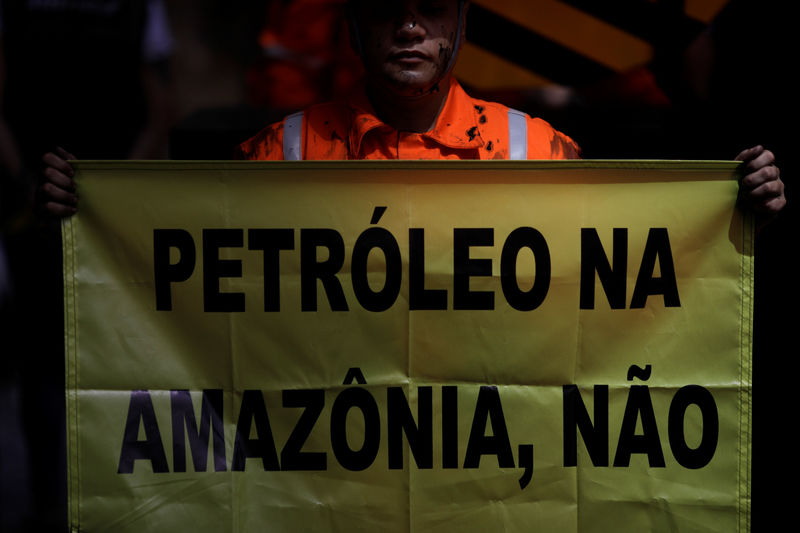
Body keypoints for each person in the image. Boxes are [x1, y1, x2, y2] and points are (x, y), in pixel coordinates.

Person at [39, 0, 784, 221]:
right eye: (388, 10)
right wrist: (92, 215)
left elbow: (634, 270)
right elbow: (185, 275)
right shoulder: (279, 154)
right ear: (354, 28)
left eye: (430, 10)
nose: (409, 27)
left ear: (461, 27)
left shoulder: (539, 150)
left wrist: (733, 211)